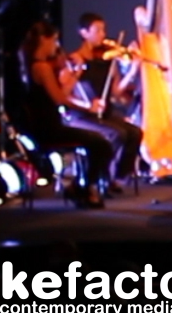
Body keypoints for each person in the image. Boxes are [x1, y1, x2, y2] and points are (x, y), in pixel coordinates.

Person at [18, 20, 115, 207]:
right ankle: (83, 187)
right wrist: (88, 108)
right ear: (44, 40)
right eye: (54, 41)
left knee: (98, 142)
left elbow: (59, 92)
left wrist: (74, 74)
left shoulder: (32, 65)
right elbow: (60, 99)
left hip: (42, 127)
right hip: (49, 129)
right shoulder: (42, 67)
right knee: (101, 144)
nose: (56, 46)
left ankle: (82, 186)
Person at [61, 12, 144, 189]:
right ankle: (101, 176)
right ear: (84, 33)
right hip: (80, 116)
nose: (103, 35)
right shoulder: (75, 60)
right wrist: (87, 105)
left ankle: (117, 176)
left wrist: (132, 71)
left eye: (103, 30)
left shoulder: (107, 60)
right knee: (116, 134)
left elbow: (116, 92)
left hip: (101, 115)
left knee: (135, 133)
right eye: (97, 30)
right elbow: (64, 94)